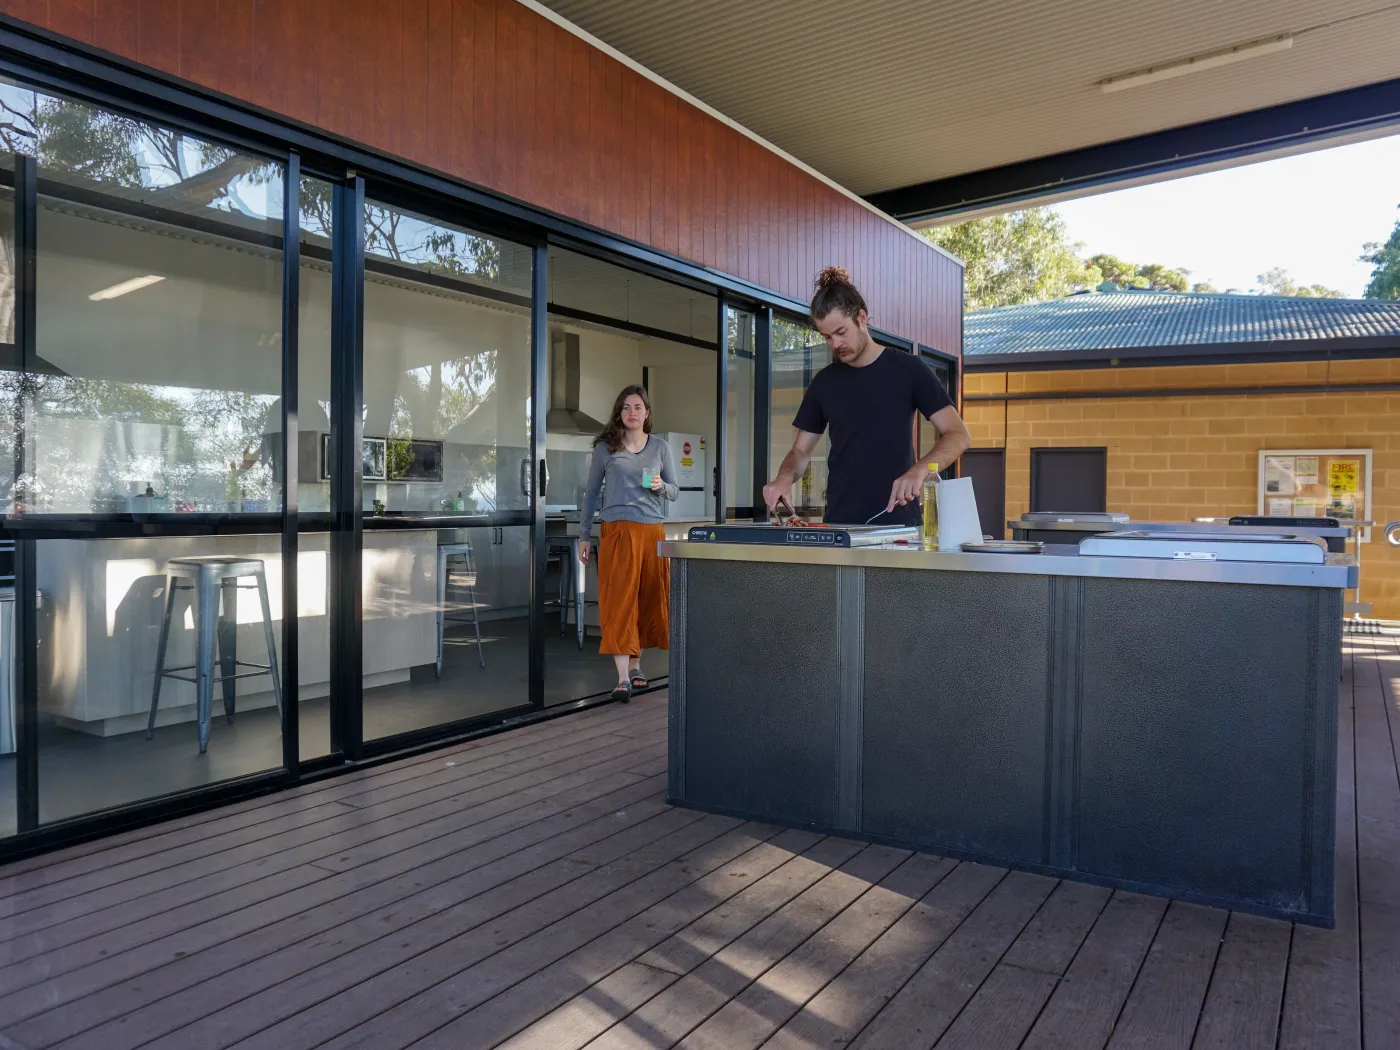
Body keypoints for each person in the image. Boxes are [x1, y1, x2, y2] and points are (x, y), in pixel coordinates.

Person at [763, 267, 971, 525]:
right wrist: (783, 477)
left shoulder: (908, 369)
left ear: (861, 318)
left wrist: (919, 472)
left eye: (841, 332)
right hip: (840, 526)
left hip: (898, 526)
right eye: (826, 337)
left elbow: (958, 434)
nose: (835, 344)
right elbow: (800, 452)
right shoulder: (824, 383)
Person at [578, 385, 679, 702]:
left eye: (637, 407)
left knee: (647, 601)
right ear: (619, 413)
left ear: (647, 413)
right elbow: (591, 494)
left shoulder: (660, 447)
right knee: (620, 601)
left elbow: (676, 491)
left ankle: (637, 668)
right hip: (617, 531)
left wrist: (662, 486)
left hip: (651, 532)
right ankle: (622, 677)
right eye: (626, 407)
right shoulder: (606, 448)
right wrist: (584, 535)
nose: (632, 412)